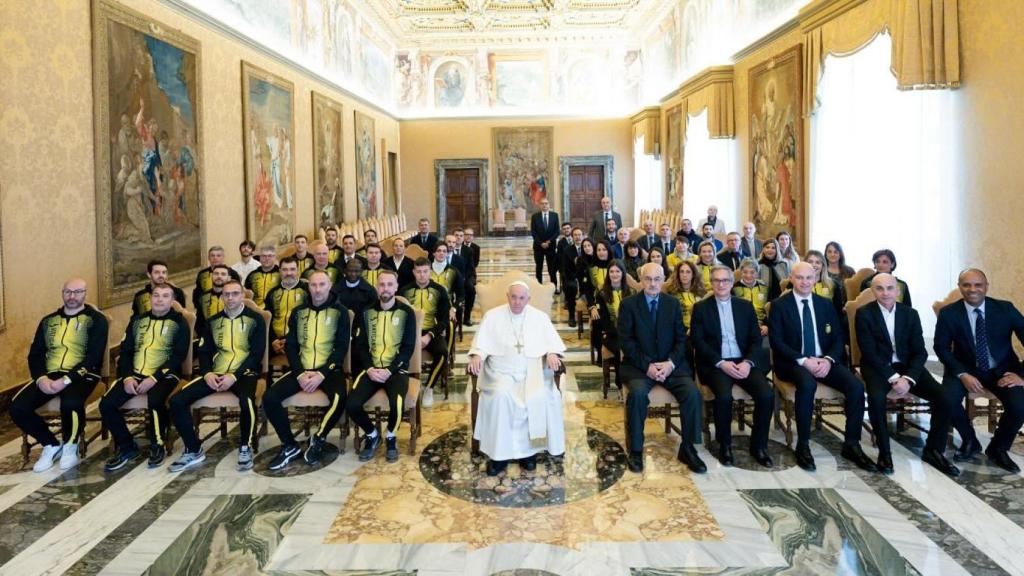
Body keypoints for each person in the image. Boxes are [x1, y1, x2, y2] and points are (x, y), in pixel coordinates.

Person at [767, 262, 876, 472]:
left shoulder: (825, 304)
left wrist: (827, 360)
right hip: (793, 362)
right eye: (800, 277)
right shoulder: (780, 305)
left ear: (816, 279)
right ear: (791, 278)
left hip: (824, 360)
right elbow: (777, 341)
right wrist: (804, 360)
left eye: (809, 277)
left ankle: (851, 444)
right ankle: (803, 445)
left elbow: (837, 338)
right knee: (807, 384)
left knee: (855, 387)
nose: (805, 282)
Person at [857, 274, 961, 476]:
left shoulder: (910, 314)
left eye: (889, 288)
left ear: (897, 291)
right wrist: (893, 378)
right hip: (878, 368)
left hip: (909, 368)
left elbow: (920, 351)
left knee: (945, 397)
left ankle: (933, 450)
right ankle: (884, 453)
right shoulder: (864, 314)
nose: (885, 293)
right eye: (879, 288)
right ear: (873, 291)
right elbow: (869, 352)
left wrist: (908, 378)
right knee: (877, 399)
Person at [468, 281, 566, 476]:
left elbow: (552, 343)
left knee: (535, 397)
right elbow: (481, 344)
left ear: (528, 299)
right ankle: (498, 457)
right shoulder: (492, 316)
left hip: (532, 372)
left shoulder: (540, 318)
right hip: (500, 373)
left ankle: (528, 454)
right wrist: (477, 355)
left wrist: (552, 353)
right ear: (507, 296)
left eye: (522, 298)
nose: (517, 302)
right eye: (513, 297)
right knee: (499, 398)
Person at [10, 279, 109, 473]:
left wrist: (66, 380)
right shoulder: (48, 321)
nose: (72, 296)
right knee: (17, 407)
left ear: (85, 294)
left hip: (84, 374)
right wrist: (41, 379)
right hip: (50, 374)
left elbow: (94, 356)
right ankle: (51, 444)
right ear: (62, 293)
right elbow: (35, 354)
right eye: (68, 292)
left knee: (71, 403)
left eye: (77, 292)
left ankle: (70, 446)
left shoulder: (96, 320)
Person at [168, 279, 265, 473]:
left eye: (235, 294)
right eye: (226, 294)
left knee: (247, 400)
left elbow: (256, 355)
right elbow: (204, 352)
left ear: (242, 296)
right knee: (177, 401)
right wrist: (207, 373)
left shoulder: (256, 319)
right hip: (216, 373)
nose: (230, 298)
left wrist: (234, 376)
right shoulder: (212, 322)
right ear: (222, 297)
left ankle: (245, 447)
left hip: (243, 373)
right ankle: (193, 449)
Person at [617, 263, 706, 474]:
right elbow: (626, 342)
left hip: (670, 366)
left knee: (692, 394)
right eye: (648, 279)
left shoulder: (672, 304)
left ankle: (688, 448)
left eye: (657, 279)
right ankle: (636, 450)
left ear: (663, 279)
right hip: (640, 367)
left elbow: (680, 339)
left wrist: (671, 363)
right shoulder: (628, 305)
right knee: (637, 396)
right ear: (640, 280)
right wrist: (647, 366)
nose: (653, 283)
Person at [934, 268, 1024, 473]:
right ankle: (970, 440)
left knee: (1020, 405)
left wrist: (1022, 377)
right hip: (964, 369)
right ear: (960, 287)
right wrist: (962, 374)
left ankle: (998, 448)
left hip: (1002, 370)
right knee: (947, 399)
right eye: (966, 285)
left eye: (977, 285)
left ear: (986, 287)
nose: (972, 289)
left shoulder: (1005, 309)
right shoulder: (949, 313)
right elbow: (941, 347)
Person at [262, 270, 351, 471]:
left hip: (328, 370)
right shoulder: (298, 312)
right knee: (270, 398)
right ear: (308, 287)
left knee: (339, 397)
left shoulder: (341, 312)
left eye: (322, 285)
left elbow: (341, 347)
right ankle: (289, 444)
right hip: (301, 369)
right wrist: (300, 373)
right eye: (313, 285)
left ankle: (318, 438)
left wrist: (321, 374)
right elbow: (291, 346)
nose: (317, 289)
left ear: (329, 286)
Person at [100, 284, 190, 471]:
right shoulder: (137, 321)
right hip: (134, 374)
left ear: (172, 301)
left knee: (155, 400)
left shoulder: (179, 322)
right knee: (106, 404)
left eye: (165, 296)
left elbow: (178, 356)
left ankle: (158, 444)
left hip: (165, 374)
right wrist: (126, 377)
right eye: (156, 295)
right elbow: (125, 353)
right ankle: (127, 447)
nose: (159, 299)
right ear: (150, 299)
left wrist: (155, 378)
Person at [691, 266, 774, 468]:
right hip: (716, 363)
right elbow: (698, 342)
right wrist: (721, 363)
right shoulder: (701, 308)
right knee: (724, 396)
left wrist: (748, 362)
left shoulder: (744, 307)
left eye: (725, 281)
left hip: (743, 361)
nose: (721, 284)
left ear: (731, 283)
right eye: (717, 281)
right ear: (711, 283)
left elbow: (756, 340)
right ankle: (725, 445)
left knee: (766, 394)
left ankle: (759, 446)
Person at [346, 270, 418, 463]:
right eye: (382, 284)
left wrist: (389, 370)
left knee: (397, 403)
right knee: (351, 404)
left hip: (395, 370)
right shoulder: (366, 312)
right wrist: (369, 368)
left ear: (395, 287)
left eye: (389, 284)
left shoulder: (406, 313)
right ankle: (371, 434)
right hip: (371, 369)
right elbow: (360, 346)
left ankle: (391, 437)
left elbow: (408, 347)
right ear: (377, 287)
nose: (385, 288)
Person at [400, 258, 452, 408]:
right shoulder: (404, 290)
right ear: (413, 272)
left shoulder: (440, 290)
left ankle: (428, 388)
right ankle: (406, 387)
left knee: (442, 352)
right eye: (418, 272)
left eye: (425, 271)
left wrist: (429, 336)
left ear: (430, 272)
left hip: (430, 331)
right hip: (408, 332)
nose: (422, 275)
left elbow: (443, 320)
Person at [594, 260, 634, 389]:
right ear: (608, 274)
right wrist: (619, 332)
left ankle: (633, 378)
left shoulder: (631, 292)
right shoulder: (602, 294)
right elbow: (603, 320)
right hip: (610, 333)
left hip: (630, 332)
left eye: (618, 271)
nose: (614, 274)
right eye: (611, 271)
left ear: (623, 273)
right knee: (619, 347)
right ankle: (619, 379)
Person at [264, 257, 309, 358]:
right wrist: (273, 340)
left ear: (298, 270)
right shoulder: (272, 293)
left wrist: (289, 339)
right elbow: (268, 320)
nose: (289, 273)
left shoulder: (307, 291)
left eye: (292, 269)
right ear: (280, 271)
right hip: (275, 339)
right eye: (285, 269)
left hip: (299, 340)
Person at [193, 246, 241, 311]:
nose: (215, 258)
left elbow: (238, 294)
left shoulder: (232, 273)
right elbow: (197, 292)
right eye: (212, 256)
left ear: (223, 258)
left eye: (218, 256)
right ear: (208, 258)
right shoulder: (202, 274)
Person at [805, 250, 847, 323]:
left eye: (818, 262)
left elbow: (838, 311)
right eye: (810, 262)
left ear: (823, 266)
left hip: (827, 322)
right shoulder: (796, 283)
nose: (814, 265)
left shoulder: (833, 284)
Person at [732, 258, 769, 336]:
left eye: (752, 272)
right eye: (745, 272)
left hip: (762, 327)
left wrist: (767, 325)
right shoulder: (733, 289)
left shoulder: (764, 288)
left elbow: (769, 309)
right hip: (741, 328)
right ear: (741, 272)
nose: (748, 275)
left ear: (757, 273)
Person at [665, 260, 705, 331]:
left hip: (698, 328)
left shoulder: (701, 292)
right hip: (678, 329)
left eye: (688, 272)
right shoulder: (670, 293)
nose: (684, 275)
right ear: (678, 274)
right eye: (681, 272)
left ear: (693, 274)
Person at [530, 198, 560, 286]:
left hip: (551, 247)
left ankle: (554, 286)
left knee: (552, 268)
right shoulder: (535, 216)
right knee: (539, 268)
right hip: (538, 247)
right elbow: (533, 232)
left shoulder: (555, 216)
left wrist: (549, 242)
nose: (544, 205)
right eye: (542, 204)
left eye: (546, 203)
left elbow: (557, 231)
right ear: (540, 205)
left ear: (549, 205)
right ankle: (539, 286)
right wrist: (541, 243)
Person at [560, 228, 585, 328]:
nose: (578, 237)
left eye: (579, 235)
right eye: (575, 235)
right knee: (571, 288)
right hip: (572, 277)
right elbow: (565, 268)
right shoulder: (568, 250)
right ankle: (571, 316)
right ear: (572, 237)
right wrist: (573, 278)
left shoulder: (587, 247)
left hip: (586, 277)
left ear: (583, 236)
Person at [195, 265, 230, 335]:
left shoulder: (234, 297)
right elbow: (199, 322)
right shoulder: (203, 297)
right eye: (216, 273)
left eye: (223, 274)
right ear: (211, 276)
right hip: (208, 336)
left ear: (228, 278)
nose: (219, 276)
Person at [452, 229, 477, 325]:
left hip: (464, 277)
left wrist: (463, 278)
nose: (458, 237)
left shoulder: (468, 250)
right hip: (450, 277)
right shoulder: (447, 249)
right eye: (456, 235)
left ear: (463, 238)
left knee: (471, 290)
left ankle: (467, 317)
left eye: (461, 235)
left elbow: (471, 268)